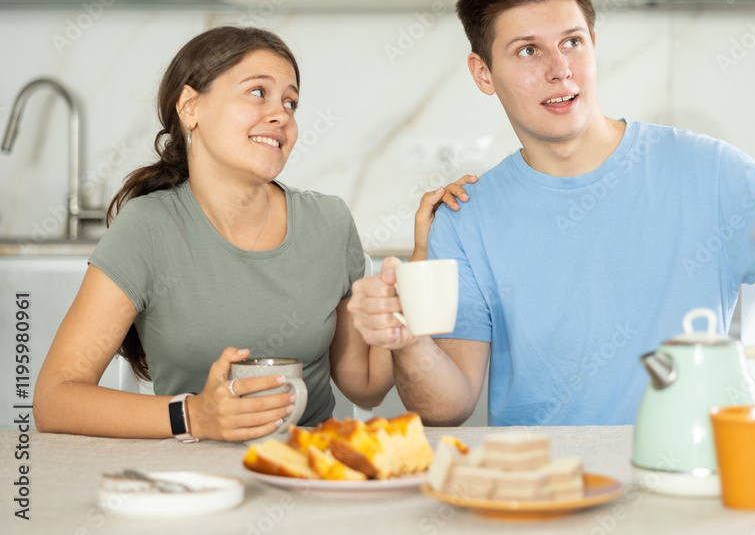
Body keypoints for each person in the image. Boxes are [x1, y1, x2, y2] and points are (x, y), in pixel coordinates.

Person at [347, 0, 755, 427]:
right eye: (528, 51)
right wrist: (409, 342)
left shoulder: (706, 172)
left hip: (700, 479)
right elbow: (449, 407)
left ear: (594, 44)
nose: (560, 69)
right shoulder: (466, 217)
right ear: (482, 72)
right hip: (545, 492)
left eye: (572, 42)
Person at [33, 26, 469, 442]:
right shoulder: (147, 228)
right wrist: (194, 416)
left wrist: (419, 262)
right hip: (193, 479)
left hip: (309, 470)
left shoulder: (329, 223)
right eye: (258, 92)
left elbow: (366, 384)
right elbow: (55, 399)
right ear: (191, 107)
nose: (281, 114)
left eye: (291, 103)